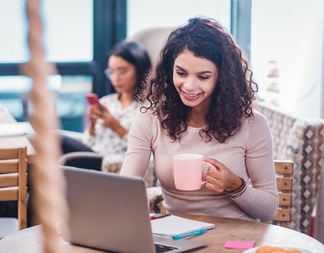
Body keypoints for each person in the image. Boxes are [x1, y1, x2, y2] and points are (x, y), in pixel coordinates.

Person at [120, 18, 279, 222]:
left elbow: (269, 211)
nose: (189, 86)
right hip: (179, 237)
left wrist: (236, 186)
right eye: (181, 73)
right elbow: (125, 186)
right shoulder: (150, 120)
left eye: (203, 77)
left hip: (236, 239)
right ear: (170, 72)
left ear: (222, 78)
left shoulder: (252, 124)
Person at [60, 40, 152, 171]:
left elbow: (147, 154)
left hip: (112, 164)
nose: (115, 78)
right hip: (92, 157)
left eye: (122, 71)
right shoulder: (106, 102)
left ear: (140, 69)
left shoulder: (148, 109)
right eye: (111, 72)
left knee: (58, 140)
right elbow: (87, 144)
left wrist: (118, 128)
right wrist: (91, 125)